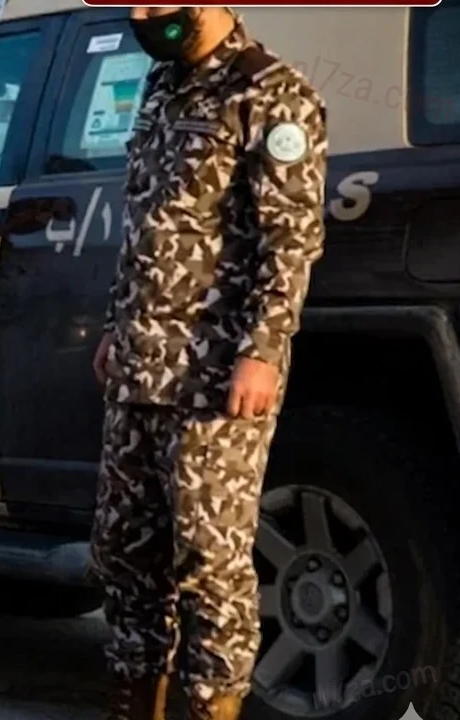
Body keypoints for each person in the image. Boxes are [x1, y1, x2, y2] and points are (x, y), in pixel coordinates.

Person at [90, 6, 327, 720]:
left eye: (155, 3)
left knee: (208, 563)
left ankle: (211, 707)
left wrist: (263, 352)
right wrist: (116, 327)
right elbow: (147, 225)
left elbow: (291, 239)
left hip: (215, 376)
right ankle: (136, 701)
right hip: (140, 367)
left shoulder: (271, 91)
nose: (140, 16)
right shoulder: (162, 88)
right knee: (124, 551)